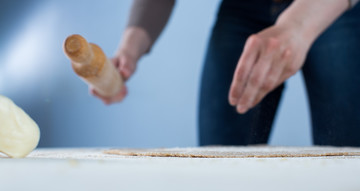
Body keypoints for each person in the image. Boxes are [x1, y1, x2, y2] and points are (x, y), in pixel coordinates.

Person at [92, 0, 360, 147]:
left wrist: (298, 25)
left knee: (346, 154)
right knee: (219, 157)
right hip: (241, 8)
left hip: (331, 8)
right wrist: (129, 49)